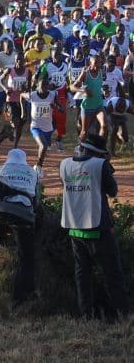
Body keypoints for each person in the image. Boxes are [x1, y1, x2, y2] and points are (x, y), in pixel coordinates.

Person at [59, 134, 129, 320]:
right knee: (112, 273)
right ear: (100, 153)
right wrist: (107, 165)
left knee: (82, 275)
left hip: (74, 228)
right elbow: (112, 191)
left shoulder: (64, 164)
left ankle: (86, 315)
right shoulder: (100, 165)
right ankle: (122, 314)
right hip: (99, 228)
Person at [0, 149, 39, 304]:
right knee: (26, 257)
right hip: (23, 215)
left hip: (0, 212)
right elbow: (36, 201)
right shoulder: (32, 173)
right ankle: (21, 298)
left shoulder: (1, 170)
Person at [21, 77, 60, 177]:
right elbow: (21, 95)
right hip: (35, 126)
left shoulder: (52, 95)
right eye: (42, 85)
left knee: (43, 147)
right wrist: (23, 112)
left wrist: (55, 107)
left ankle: (38, 166)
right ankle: (38, 167)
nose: (44, 88)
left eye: (46, 85)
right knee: (43, 145)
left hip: (48, 127)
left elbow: (62, 109)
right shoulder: (32, 95)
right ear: (38, 86)